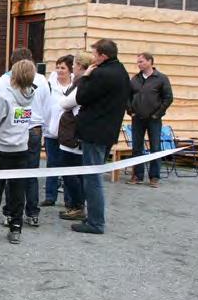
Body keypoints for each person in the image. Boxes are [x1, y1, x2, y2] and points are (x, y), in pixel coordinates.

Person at [72, 39, 131, 234]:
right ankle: (93, 218)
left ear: (103, 55)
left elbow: (81, 96)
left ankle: (95, 222)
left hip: (95, 131)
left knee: (92, 178)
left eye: (95, 54)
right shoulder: (121, 71)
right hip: (107, 131)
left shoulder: (101, 74)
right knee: (94, 175)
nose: (93, 59)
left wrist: (85, 76)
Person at [0, 60, 36, 245]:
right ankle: (16, 228)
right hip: (21, 148)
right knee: (18, 191)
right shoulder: (30, 96)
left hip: (1, 148)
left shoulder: (3, 96)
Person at [0, 48, 50, 227]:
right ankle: (32, 213)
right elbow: (47, 107)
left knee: (11, 175)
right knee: (30, 173)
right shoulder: (42, 80)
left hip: (14, 129)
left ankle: (10, 213)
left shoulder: (5, 80)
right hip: (34, 128)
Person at [127, 52, 173, 187]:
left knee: (155, 147)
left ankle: (154, 177)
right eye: (138, 62)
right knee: (137, 148)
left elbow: (168, 98)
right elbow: (127, 97)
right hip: (137, 118)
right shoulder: (135, 79)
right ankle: (137, 176)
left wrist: (157, 114)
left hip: (154, 119)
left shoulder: (161, 78)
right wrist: (130, 111)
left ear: (150, 61)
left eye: (141, 61)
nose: (139, 64)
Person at [58, 51, 93, 221]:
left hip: (73, 135)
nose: (72, 68)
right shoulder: (83, 82)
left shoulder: (81, 83)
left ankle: (78, 206)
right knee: (76, 173)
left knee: (71, 173)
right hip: (76, 134)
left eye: (73, 65)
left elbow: (66, 103)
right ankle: (77, 205)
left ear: (79, 66)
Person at [42, 55, 74, 208]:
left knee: (68, 166)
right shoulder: (49, 85)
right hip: (51, 131)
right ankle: (50, 195)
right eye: (58, 67)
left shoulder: (75, 85)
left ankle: (69, 199)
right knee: (52, 164)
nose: (60, 70)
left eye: (63, 68)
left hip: (68, 133)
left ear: (70, 70)